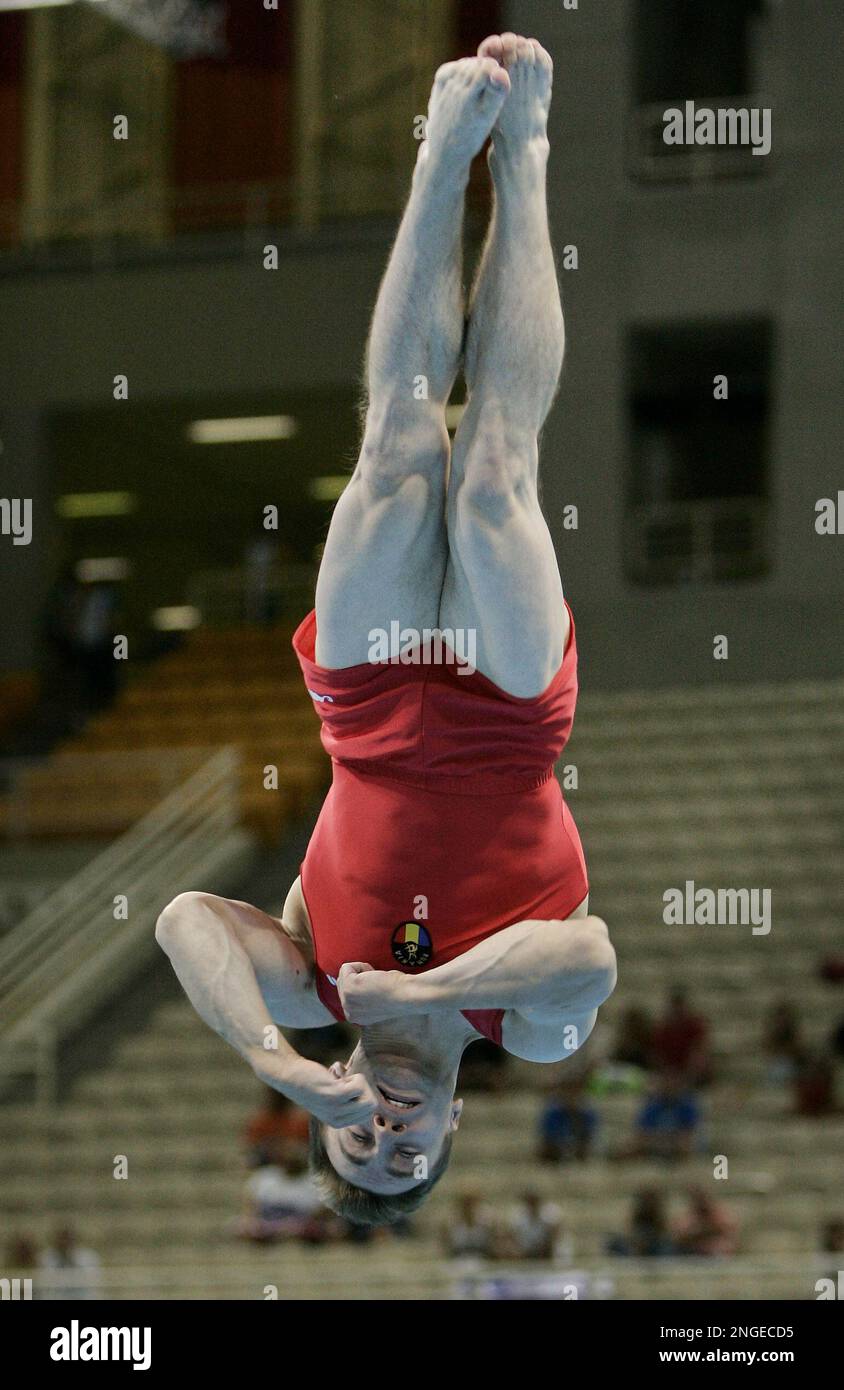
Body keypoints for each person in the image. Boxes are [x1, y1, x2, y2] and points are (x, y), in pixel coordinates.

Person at [156, 35, 617, 1227]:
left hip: (365, 709)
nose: (383, 1128)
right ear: (450, 1127)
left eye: (356, 1140)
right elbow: (589, 958)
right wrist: (439, 978)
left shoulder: (313, 999)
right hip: (508, 716)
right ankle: (524, 154)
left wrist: (274, 1057)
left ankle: (436, 156)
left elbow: (183, 920)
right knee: (495, 475)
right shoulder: (526, 1029)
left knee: (399, 451)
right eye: (402, 1155)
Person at [621, 1071, 701, 1161]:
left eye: (674, 1084)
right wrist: (657, 1140)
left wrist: (671, 1140)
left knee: (685, 1145)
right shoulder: (652, 1106)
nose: (670, 1086)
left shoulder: (687, 1106)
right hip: (655, 1142)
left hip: (678, 1144)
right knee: (631, 1147)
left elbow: (690, 1133)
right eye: (667, 1083)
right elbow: (642, 1132)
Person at [650, 987, 711, 1086]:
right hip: (668, 1072)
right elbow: (657, 1055)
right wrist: (668, 1074)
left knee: (699, 1062)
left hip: (689, 1072)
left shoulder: (695, 1026)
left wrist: (686, 1075)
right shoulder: (662, 1028)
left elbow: (698, 1051)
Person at [537, 1079, 599, 1162]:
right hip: (558, 1146)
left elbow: (591, 1134)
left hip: (579, 1145)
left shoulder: (587, 1113)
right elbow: (549, 1135)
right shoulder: (553, 1112)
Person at [606, 1190, 675, 1258]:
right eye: (645, 1201)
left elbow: (663, 1233)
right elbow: (629, 1231)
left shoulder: (660, 1225)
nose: (648, 1205)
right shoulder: (636, 1219)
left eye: (650, 1201)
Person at [673, 1185, 737, 1257]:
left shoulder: (720, 1215)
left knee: (722, 1246)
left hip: (715, 1249)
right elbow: (681, 1234)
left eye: (703, 1198)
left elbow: (728, 1230)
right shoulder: (689, 1218)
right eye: (697, 1199)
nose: (702, 1202)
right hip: (692, 1250)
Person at [442, 1191, 496, 1260]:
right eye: (466, 1204)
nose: (469, 1207)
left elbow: (492, 1248)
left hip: (482, 1260)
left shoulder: (487, 1224)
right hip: (457, 1262)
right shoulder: (450, 1225)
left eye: (472, 1204)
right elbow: (446, 1249)